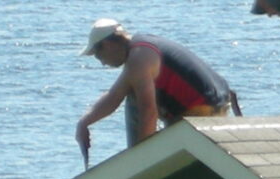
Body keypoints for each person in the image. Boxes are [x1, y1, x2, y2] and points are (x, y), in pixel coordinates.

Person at [76, 20, 237, 160]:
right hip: (220, 102)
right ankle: (146, 150)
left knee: (134, 96)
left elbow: (148, 110)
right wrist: (84, 123)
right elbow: (113, 96)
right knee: (131, 89)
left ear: (107, 44)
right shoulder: (142, 48)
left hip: (203, 111)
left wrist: (143, 158)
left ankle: (138, 155)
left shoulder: (138, 58)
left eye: (99, 55)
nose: (102, 63)